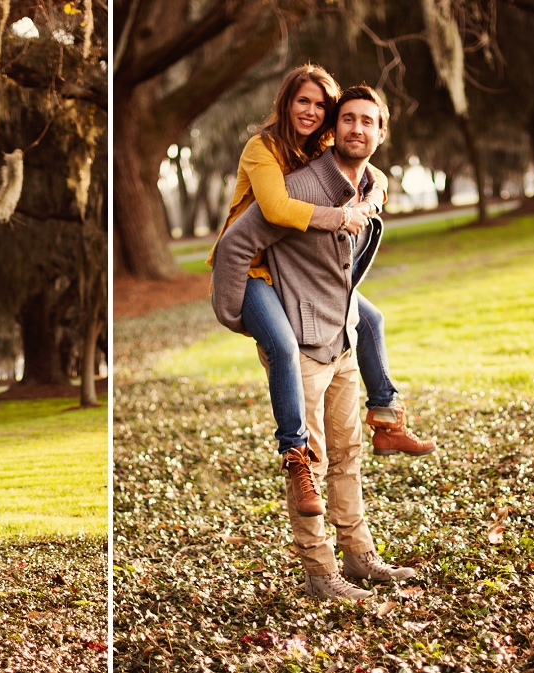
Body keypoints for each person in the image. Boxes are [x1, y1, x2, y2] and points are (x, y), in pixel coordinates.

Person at [212, 86, 416, 599]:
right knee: (310, 462)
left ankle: (359, 556)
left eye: (368, 122)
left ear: (380, 133)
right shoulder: (296, 184)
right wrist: (239, 315)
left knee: (348, 453)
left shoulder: (367, 183)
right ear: (336, 128)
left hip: (341, 335)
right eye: (349, 119)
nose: (357, 129)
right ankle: (321, 574)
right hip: (298, 341)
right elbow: (236, 244)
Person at [208, 64, 435, 462]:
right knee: (282, 344)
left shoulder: (318, 144)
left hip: (294, 268)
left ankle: (386, 419)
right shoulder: (263, 148)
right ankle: (294, 450)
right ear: (286, 103)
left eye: (320, 104)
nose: (311, 111)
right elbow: (276, 209)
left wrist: (370, 203)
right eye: (303, 101)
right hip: (254, 268)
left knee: (371, 320)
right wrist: (343, 217)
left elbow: (374, 174)